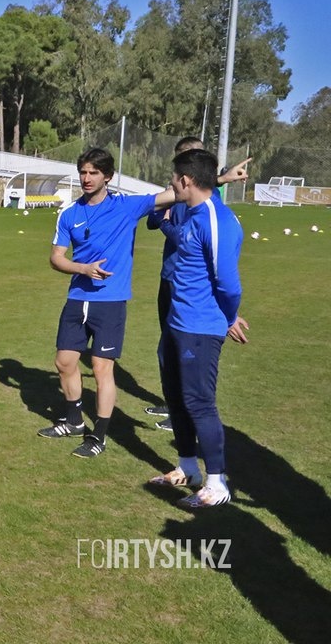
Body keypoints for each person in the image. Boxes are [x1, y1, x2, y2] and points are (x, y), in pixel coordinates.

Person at [40, 147, 176, 458]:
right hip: (77, 298)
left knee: (102, 368)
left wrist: (218, 178)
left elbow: (174, 194)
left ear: (108, 177)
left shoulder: (127, 207)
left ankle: (98, 436)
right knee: (64, 362)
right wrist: (83, 269)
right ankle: (74, 421)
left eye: (94, 173)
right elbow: (56, 258)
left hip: (110, 302)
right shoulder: (70, 214)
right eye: (83, 172)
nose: (86, 178)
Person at [148, 148, 247, 507]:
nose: (171, 184)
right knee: (175, 397)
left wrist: (229, 317)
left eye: (173, 179)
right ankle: (187, 467)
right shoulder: (191, 215)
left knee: (199, 403)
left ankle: (217, 484)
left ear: (186, 180)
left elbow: (229, 284)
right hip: (176, 325)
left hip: (200, 329)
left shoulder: (217, 220)